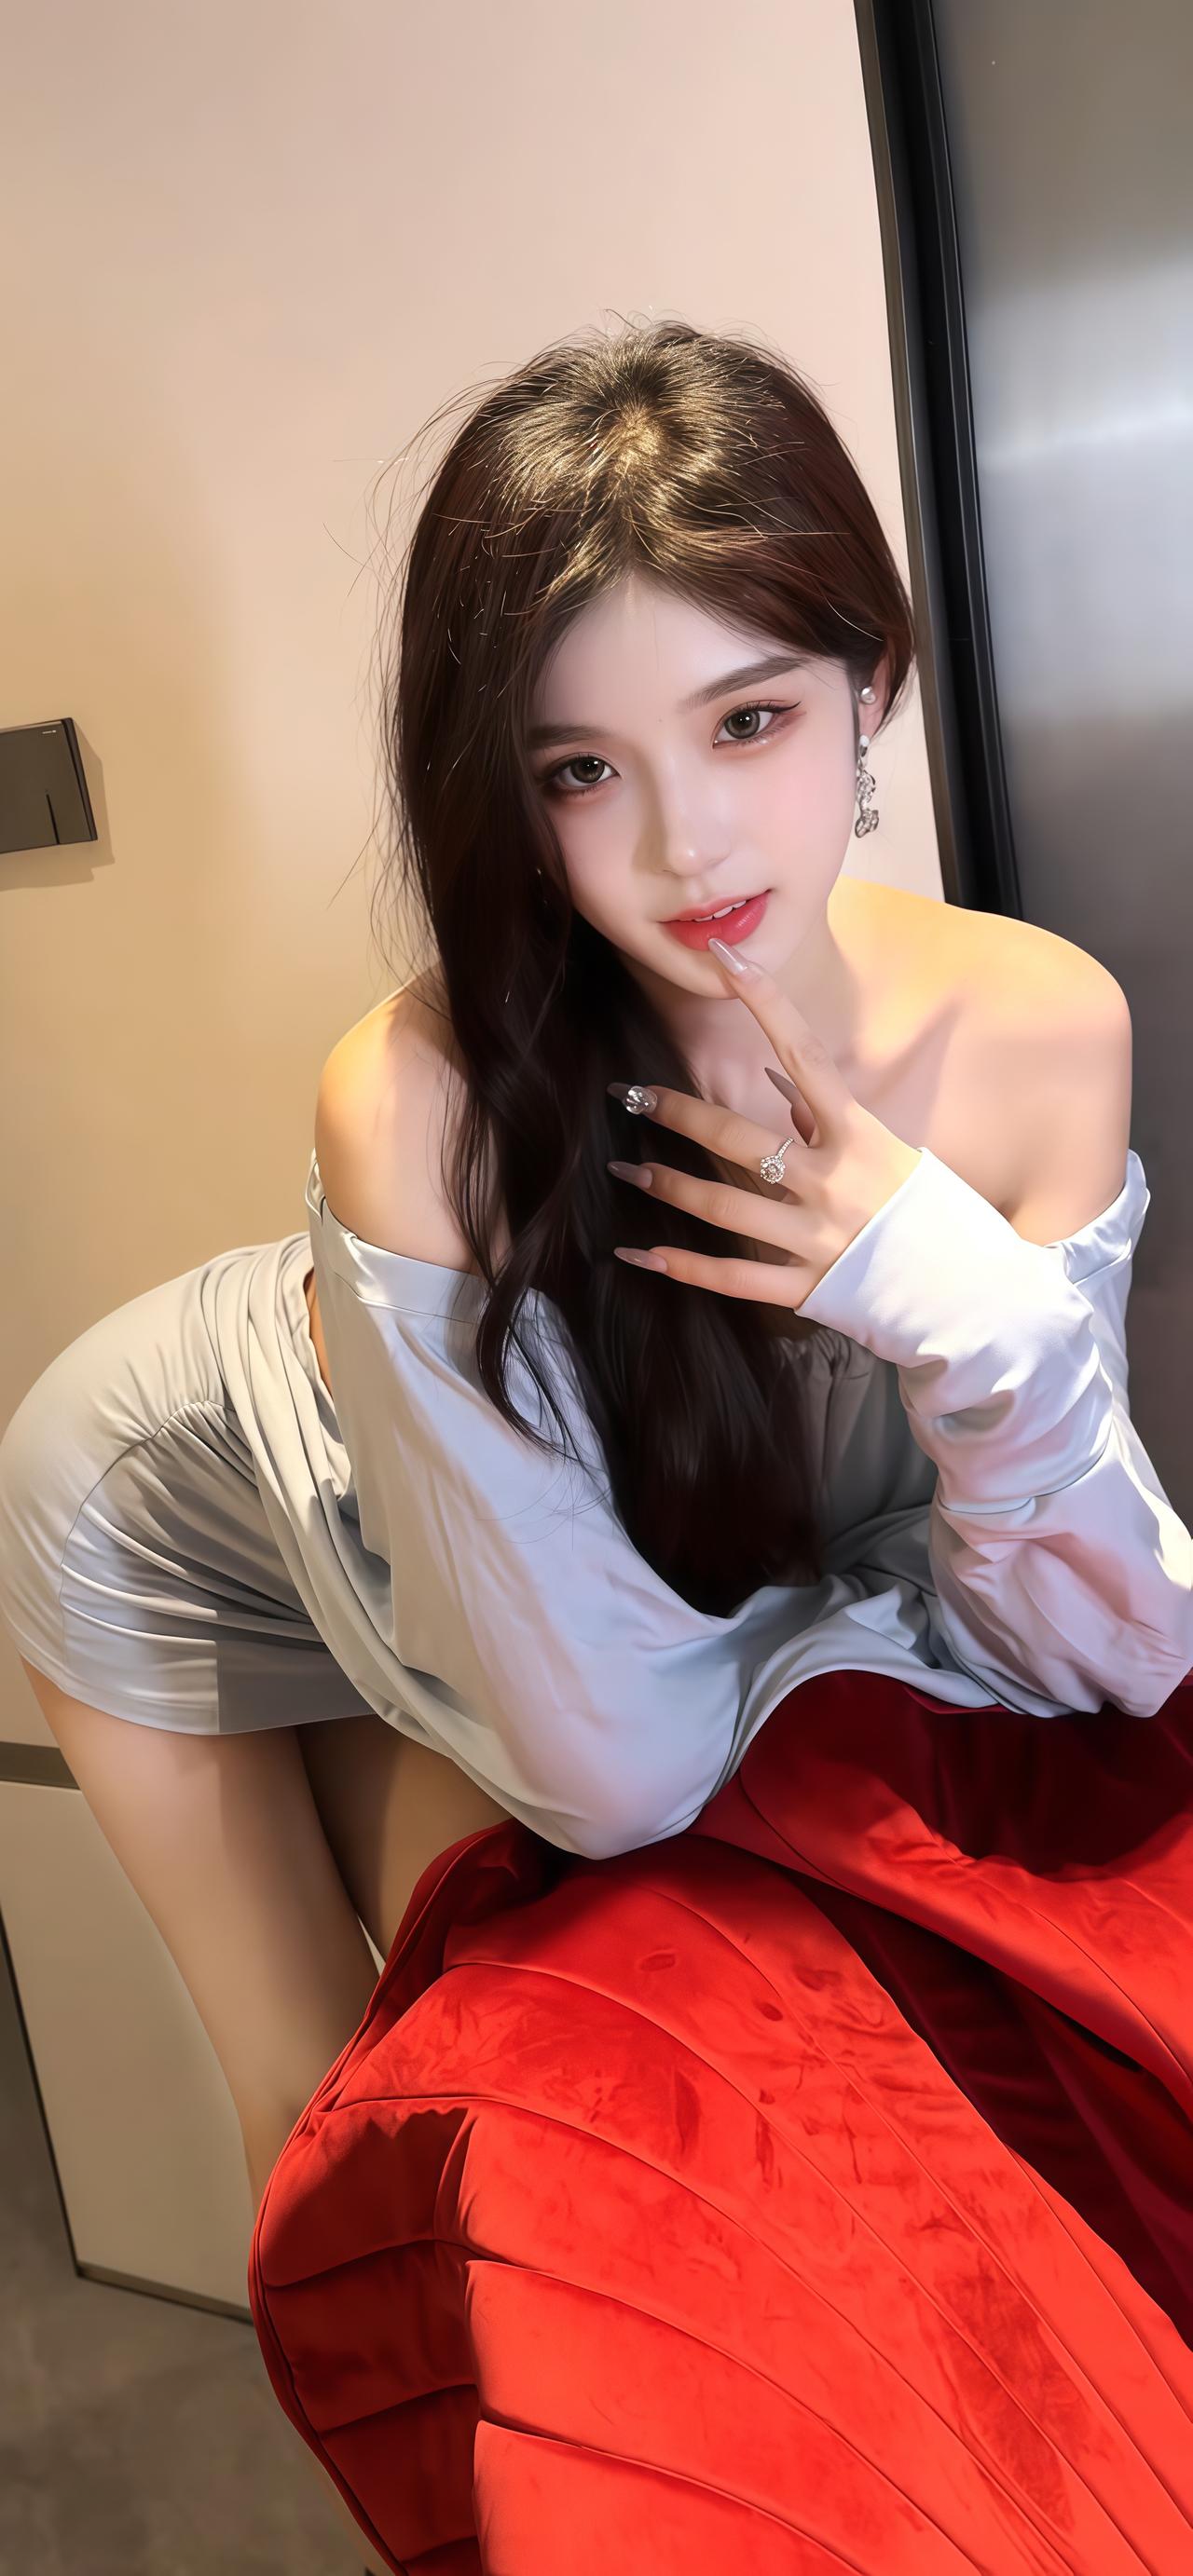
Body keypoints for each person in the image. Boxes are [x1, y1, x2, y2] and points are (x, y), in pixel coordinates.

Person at [3, 319, 1192, 2571]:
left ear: (867, 686)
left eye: (746, 721)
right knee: (348, 2136)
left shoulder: (1039, 1029)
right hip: (192, 1514)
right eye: (577, 770)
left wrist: (937, 1289)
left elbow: (1102, 1656)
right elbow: (624, 1771)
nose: (680, 842)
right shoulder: (417, 1100)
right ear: (502, 792)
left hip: (557, 1584)